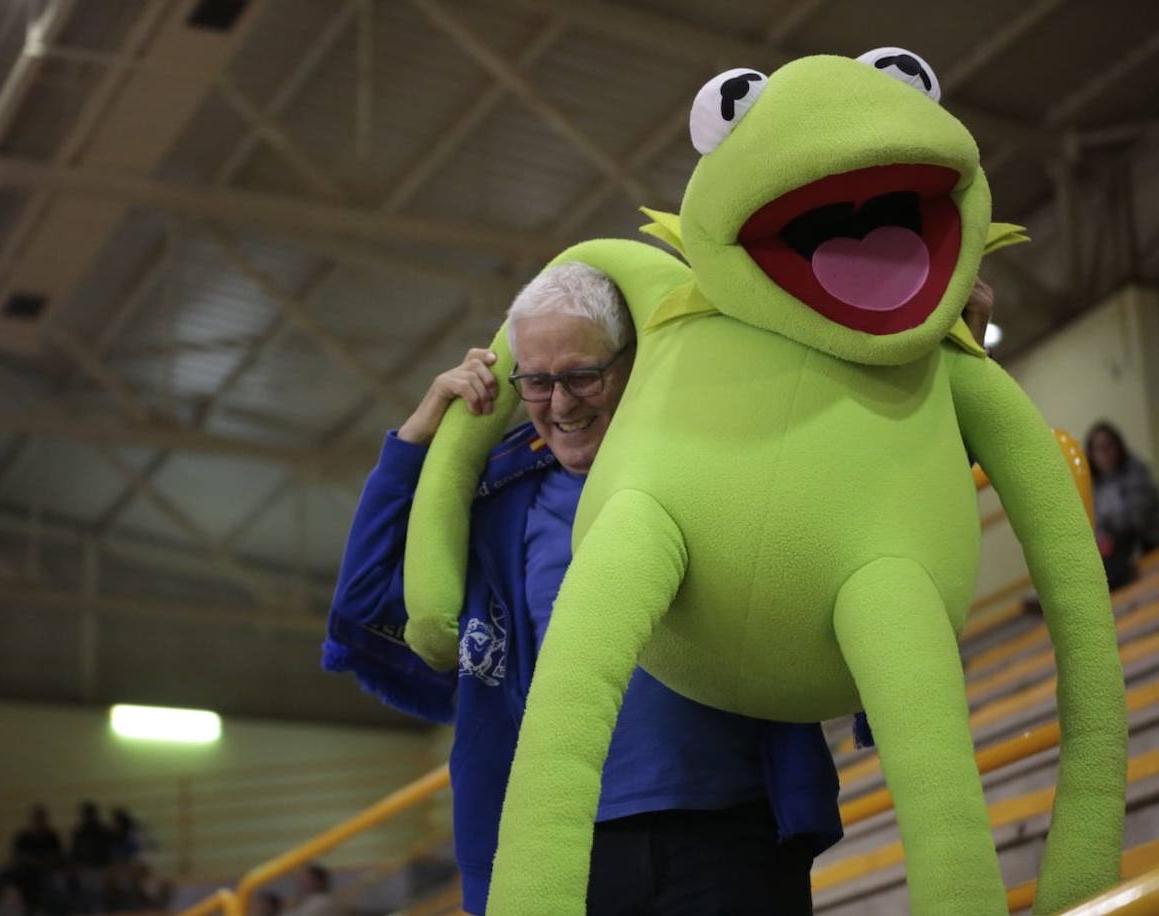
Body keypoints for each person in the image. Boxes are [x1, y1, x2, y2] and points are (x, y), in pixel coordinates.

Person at [324, 262, 843, 915]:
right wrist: (421, 435)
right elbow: (363, 601)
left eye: (582, 376)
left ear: (632, 363)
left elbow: (860, 508)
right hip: (561, 854)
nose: (562, 404)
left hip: (732, 832)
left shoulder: (718, 459)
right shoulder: (498, 501)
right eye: (536, 382)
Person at [1086, 421, 1159, 590]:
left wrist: (1112, 537)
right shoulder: (1095, 486)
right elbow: (1096, 524)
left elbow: (1138, 517)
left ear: (1118, 446)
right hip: (1114, 550)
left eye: (1108, 446)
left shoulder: (1136, 471)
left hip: (1144, 542)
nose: (1105, 453)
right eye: (1098, 449)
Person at [0, 804, 63, 916]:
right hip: (23, 871)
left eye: (40, 819)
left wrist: (40, 862)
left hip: (43, 872)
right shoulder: (23, 837)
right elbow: (16, 857)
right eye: (36, 819)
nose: (38, 823)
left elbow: (56, 857)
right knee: (2, 873)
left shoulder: (52, 837)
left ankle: (35, 908)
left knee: (38, 881)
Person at [67, 802, 113, 912]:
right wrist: (76, 866)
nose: (89, 818)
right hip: (86, 868)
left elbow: (108, 850)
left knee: (100, 895)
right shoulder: (79, 832)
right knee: (89, 895)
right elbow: (75, 852)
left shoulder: (102, 831)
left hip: (101, 867)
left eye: (90, 815)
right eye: (87, 815)